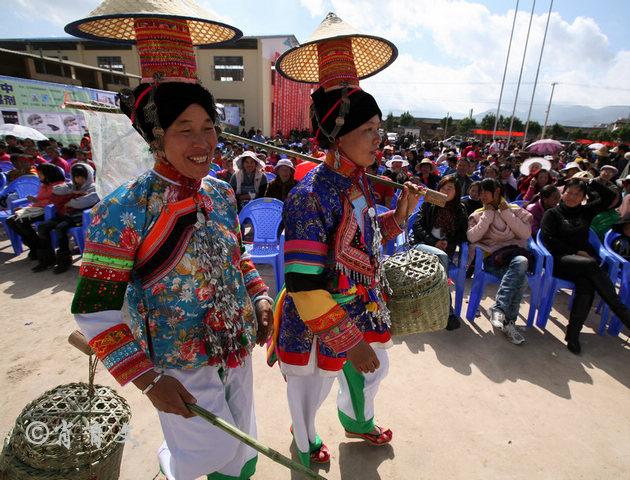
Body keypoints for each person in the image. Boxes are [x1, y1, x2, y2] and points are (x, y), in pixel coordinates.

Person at [71, 64, 273, 480]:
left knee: (244, 451)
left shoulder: (219, 193)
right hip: (177, 368)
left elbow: (238, 257)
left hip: (235, 348)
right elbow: (94, 311)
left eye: (209, 127)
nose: (203, 143)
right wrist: (146, 380)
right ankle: (173, 462)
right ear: (156, 137)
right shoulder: (121, 210)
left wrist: (260, 296)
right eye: (185, 129)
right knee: (210, 454)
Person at [269, 19, 421, 468]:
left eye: (380, 128)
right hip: (318, 316)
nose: (380, 140)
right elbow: (302, 283)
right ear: (338, 135)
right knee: (310, 387)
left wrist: (398, 218)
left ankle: (356, 421)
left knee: (375, 368)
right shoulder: (308, 195)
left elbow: (361, 242)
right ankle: (303, 440)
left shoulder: (359, 184)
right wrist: (346, 339)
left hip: (361, 303)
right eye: (369, 130)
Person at [540, 178, 630, 354]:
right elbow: (548, 239)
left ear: (583, 197)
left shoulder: (585, 211)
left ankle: (573, 334)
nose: (573, 197)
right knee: (591, 265)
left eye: (578, 194)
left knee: (587, 283)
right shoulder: (552, 214)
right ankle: (623, 313)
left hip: (583, 266)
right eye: (570, 193)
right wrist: (576, 251)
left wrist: (592, 181)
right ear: (562, 193)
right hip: (560, 261)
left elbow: (610, 196)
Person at [467, 178, 533, 345]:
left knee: (520, 262)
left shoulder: (515, 211)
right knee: (522, 276)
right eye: (479, 192)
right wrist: (488, 216)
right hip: (493, 261)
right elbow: (472, 237)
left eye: (484, 192)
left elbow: (525, 234)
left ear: (496, 192)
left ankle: (499, 310)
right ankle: (509, 322)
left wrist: (506, 214)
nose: (481, 196)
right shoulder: (479, 214)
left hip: (514, 257)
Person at [410, 175, 468, 329]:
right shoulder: (430, 202)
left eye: (450, 188)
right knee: (441, 257)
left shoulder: (460, 209)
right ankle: (448, 311)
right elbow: (417, 227)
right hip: (422, 245)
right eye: (443, 187)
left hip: (444, 249)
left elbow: (463, 234)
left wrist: (448, 242)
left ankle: (434, 308)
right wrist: (434, 242)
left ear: (456, 192)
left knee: (440, 259)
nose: (446, 190)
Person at [32, 163, 99, 273]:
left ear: (88, 176)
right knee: (43, 227)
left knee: (60, 228)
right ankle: (47, 260)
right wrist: (74, 192)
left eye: (82, 176)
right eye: (76, 177)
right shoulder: (72, 185)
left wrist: (71, 202)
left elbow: (87, 201)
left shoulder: (93, 187)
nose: (79, 179)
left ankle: (64, 261)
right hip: (66, 215)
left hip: (80, 217)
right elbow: (56, 189)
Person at [6, 164, 67, 260]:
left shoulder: (59, 185)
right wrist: (25, 208)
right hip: (37, 209)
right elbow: (37, 200)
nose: (38, 176)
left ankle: (38, 248)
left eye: (40, 174)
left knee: (21, 221)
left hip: (50, 211)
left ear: (48, 174)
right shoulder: (44, 184)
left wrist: (37, 203)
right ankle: (35, 246)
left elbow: (53, 202)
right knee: (10, 220)